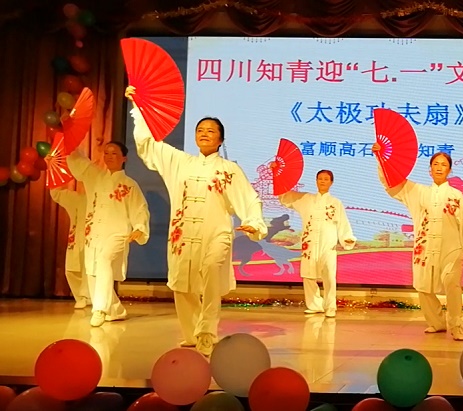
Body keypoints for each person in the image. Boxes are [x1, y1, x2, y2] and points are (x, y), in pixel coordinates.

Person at [126, 86, 267, 356]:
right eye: (200, 130)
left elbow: (249, 198)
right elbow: (148, 145)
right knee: (183, 285)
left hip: (216, 232)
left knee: (212, 271)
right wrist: (138, 108)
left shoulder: (229, 169)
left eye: (210, 131)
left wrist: (254, 223)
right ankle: (191, 335)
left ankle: (207, 332)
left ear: (220, 139)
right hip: (183, 233)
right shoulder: (180, 162)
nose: (204, 133)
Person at [374, 148, 463, 341]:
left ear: (449, 170)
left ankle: (456, 325)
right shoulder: (418, 192)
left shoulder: (456, 195)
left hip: (451, 247)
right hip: (425, 246)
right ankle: (436, 322)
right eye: (435, 164)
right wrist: (380, 158)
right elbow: (392, 183)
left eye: (444, 165)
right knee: (423, 286)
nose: (439, 168)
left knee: (452, 284)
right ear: (430, 169)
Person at [67, 142, 150, 327]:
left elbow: (140, 208)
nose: (109, 156)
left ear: (124, 158)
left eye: (114, 153)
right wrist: (70, 144)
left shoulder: (129, 184)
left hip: (118, 233)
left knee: (104, 260)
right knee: (93, 271)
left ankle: (100, 310)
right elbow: (79, 161)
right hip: (94, 232)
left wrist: (139, 227)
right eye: (106, 153)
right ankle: (116, 310)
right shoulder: (95, 176)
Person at [276, 169, 356, 318]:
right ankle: (314, 305)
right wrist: (277, 174)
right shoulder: (306, 199)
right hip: (310, 242)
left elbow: (343, 223)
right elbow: (285, 196)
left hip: (328, 243)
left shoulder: (335, 203)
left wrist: (347, 237)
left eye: (326, 179)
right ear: (316, 181)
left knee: (329, 275)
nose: (322, 181)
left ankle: (330, 306)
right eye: (320, 178)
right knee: (308, 274)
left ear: (331, 182)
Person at [50, 183, 91, 309]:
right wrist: (59, 178)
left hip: (92, 239)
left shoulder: (100, 198)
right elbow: (56, 193)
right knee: (71, 270)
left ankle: (87, 296)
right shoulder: (75, 198)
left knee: (89, 269)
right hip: (76, 239)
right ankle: (80, 296)